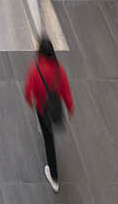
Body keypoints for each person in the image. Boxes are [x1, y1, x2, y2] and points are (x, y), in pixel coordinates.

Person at [24, 35, 73, 193]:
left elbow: (28, 90)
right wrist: (70, 108)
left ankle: (54, 176)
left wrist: (30, 102)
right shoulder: (59, 69)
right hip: (55, 107)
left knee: (49, 141)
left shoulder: (35, 69)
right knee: (48, 126)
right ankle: (45, 125)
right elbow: (65, 90)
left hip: (42, 108)